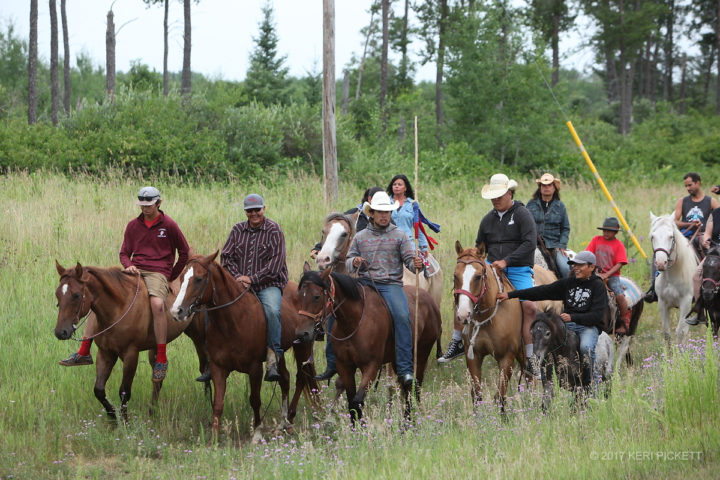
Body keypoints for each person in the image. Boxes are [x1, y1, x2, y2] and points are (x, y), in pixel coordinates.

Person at [59, 186, 190, 384]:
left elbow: (184, 252)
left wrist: (172, 276)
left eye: (149, 205)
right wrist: (128, 266)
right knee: (99, 300)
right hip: (134, 271)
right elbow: (123, 253)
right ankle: (83, 351)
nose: (145, 209)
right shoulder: (132, 226)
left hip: (158, 273)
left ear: (159, 203)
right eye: (142, 205)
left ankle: (161, 357)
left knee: (157, 304)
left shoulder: (169, 225)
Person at [450, 173, 538, 374]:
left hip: (517, 268)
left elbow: (529, 243)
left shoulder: (522, 214)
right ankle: (456, 342)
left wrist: (507, 261)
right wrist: (477, 261)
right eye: (493, 196)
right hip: (490, 266)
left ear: (510, 193)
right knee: (463, 294)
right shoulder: (487, 219)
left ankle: (530, 356)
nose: (495, 200)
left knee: (530, 306)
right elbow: (479, 246)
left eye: (499, 195)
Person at [343, 190, 424, 388]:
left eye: (387, 212)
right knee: (337, 309)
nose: (383, 215)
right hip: (365, 284)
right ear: (372, 213)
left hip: (390, 285)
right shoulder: (360, 237)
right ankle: (332, 362)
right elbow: (347, 261)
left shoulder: (400, 236)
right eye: (379, 211)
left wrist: (417, 263)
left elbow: (410, 264)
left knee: (403, 316)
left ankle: (404, 369)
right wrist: (354, 261)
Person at [496, 250, 607, 385]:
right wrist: (510, 295)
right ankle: (547, 381)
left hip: (587, 327)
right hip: (568, 324)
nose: (576, 268)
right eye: (574, 265)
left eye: (580, 265)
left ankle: (591, 383)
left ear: (591, 267)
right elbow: (540, 291)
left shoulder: (598, 286)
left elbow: (597, 315)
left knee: (586, 348)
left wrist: (573, 317)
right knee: (545, 341)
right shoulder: (568, 283)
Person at [221, 193, 288, 382]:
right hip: (240, 284)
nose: (254, 214)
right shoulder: (237, 230)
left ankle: (273, 357)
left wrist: (252, 278)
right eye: (250, 211)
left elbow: (276, 264)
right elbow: (226, 257)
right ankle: (213, 358)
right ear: (245, 212)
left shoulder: (274, 230)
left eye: (257, 210)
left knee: (273, 311)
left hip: (268, 283)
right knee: (214, 308)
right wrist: (238, 278)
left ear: (263, 209)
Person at [645, 172, 719, 303]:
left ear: (698, 183)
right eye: (686, 186)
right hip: (685, 235)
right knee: (661, 251)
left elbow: (718, 218)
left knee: (711, 254)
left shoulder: (710, 201)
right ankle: (653, 287)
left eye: (690, 185)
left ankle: (708, 284)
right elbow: (675, 221)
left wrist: (708, 233)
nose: (688, 188)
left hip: (703, 235)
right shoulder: (682, 201)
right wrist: (690, 224)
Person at [309, 186, 384, 259]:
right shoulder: (351, 214)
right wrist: (319, 247)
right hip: (354, 257)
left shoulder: (386, 218)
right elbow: (333, 232)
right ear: (370, 199)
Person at [586, 217, 631, 335]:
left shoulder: (618, 245)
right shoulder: (596, 240)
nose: (606, 233)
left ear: (616, 232)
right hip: (594, 273)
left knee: (620, 295)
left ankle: (624, 320)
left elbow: (620, 263)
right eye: (604, 230)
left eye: (609, 231)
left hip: (612, 276)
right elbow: (589, 254)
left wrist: (606, 274)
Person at [526, 173, 571, 278]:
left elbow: (565, 228)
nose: (546, 188)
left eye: (549, 185)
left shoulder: (560, 206)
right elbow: (525, 224)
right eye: (543, 185)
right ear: (540, 188)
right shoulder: (531, 204)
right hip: (533, 244)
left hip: (554, 245)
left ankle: (568, 291)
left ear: (554, 188)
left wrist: (562, 245)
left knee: (565, 268)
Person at [686, 205, 720, 325]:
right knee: (697, 276)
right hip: (714, 253)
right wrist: (706, 240)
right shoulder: (715, 214)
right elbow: (708, 233)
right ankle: (700, 311)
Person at [386, 174, 431, 254]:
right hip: (388, 244)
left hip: (408, 244)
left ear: (405, 188)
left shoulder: (412, 204)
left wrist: (423, 246)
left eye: (399, 184)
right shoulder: (385, 202)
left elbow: (418, 226)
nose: (396, 186)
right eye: (394, 184)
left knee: (417, 265)